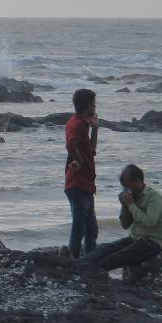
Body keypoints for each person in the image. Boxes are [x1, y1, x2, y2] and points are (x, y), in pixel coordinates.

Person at [77, 164, 162, 279]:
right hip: (135, 238)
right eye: (124, 187)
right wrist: (125, 206)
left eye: (127, 186)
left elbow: (150, 222)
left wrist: (131, 205)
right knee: (103, 249)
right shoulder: (133, 196)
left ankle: (89, 275)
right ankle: (75, 266)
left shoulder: (154, 197)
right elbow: (125, 225)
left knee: (116, 257)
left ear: (137, 181)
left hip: (152, 242)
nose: (126, 190)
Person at [61, 88, 99, 259]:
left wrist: (95, 129)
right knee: (80, 226)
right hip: (77, 183)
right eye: (93, 103)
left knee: (91, 227)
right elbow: (70, 144)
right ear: (87, 105)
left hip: (86, 183)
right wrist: (79, 161)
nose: (95, 106)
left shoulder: (80, 123)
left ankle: (88, 260)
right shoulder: (77, 124)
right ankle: (73, 261)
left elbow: (91, 150)